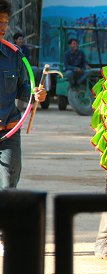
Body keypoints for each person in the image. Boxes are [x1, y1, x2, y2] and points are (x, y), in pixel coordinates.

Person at [1, 0, 46, 190]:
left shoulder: (14, 55)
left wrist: (35, 94)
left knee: (9, 187)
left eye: (5, 22)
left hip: (8, 131)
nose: (3, 27)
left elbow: (22, 89)